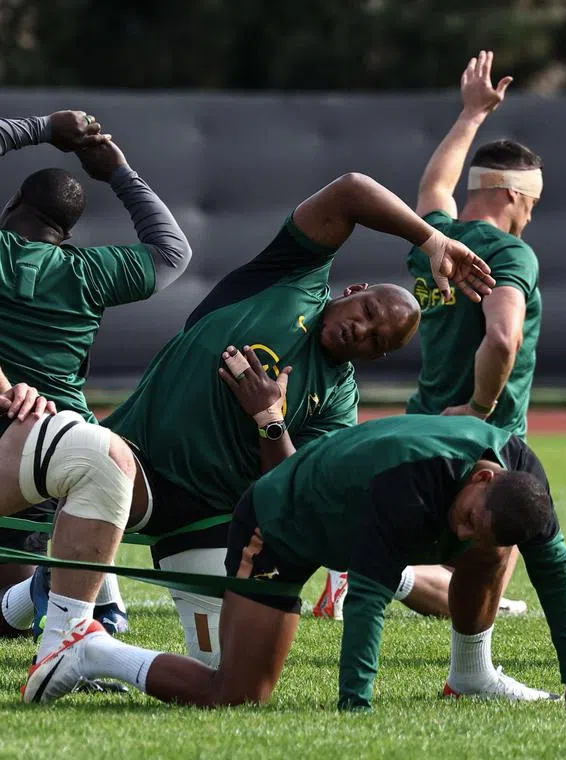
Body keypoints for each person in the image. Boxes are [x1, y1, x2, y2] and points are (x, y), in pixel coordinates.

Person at [0, 171, 494, 668]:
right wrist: (431, 238)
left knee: (223, 673)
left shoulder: (338, 398)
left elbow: (297, 491)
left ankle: (60, 602)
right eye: (366, 312)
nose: (360, 330)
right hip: (137, 467)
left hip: (210, 519)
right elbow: (350, 190)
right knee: (77, 443)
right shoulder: (291, 276)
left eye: (376, 341)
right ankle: (60, 630)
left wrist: (269, 418)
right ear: (355, 289)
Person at [24, 415, 566, 712]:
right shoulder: (411, 483)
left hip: (351, 513)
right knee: (237, 693)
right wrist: (355, 706)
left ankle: (470, 675)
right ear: (482, 477)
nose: (460, 533)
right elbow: (366, 598)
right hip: (279, 523)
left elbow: (556, 575)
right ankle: (90, 650)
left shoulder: (521, 485)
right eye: (465, 519)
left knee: (493, 550)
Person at [314, 51, 542, 622]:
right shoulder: (509, 251)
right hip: (478, 427)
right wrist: (481, 406)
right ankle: (365, 571)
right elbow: (503, 339)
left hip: (426, 414)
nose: (532, 217)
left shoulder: (434, 237)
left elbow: (435, 184)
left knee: (465, 553)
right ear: (514, 195)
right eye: (532, 204)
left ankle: (369, 568)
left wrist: (471, 115)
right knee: (489, 565)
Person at [0, 110, 193, 638]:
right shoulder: (90, 271)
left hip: (8, 450)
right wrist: (120, 173)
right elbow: (174, 253)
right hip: (65, 447)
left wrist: (40, 128)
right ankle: (85, 594)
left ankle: (56, 590)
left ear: (13, 204)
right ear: (65, 231)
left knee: (5, 618)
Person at [0, 368, 139, 680]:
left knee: (101, 456)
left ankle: (58, 616)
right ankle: (46, 584)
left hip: (31, 437)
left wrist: (11, 393)